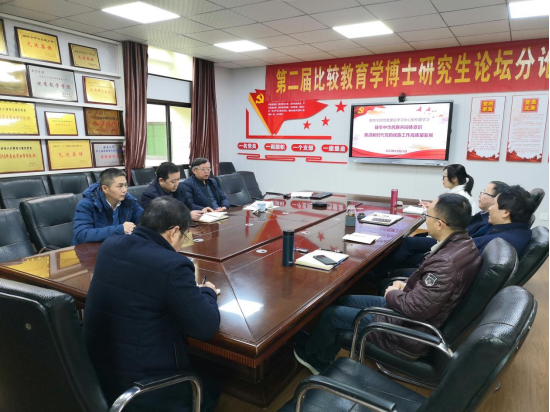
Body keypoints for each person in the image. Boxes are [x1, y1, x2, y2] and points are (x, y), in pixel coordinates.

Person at [294, 194, 482, 375]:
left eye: (428, 216)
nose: (426, 219)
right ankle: (322, 350)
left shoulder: (446, 263)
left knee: (331, 314)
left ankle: (314, 358)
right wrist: (404, 283)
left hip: (407, 332)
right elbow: (430, 290)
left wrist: (392, 292)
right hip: (410, 313)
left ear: (440, 224)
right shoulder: (464, 245)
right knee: (344, 299)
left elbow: (416, 308)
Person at [83, 197, 221, 412]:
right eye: (184, 236)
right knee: (213, 386)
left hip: (94, 376)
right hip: (142, 389)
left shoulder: (110, 245)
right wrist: (207, 292)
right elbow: (206, 327)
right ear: (174, 232)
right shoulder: (172, 265)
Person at [372, 181, 509, 276]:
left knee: (409, 243)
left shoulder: (488, 222)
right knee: (413, 241)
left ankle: (379, 271)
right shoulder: (484, 215)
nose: (480, 194)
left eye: (484, 193)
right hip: (450, 240)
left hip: (450, 241)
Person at [72, 168, 143, 245]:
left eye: (125, 185)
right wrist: (119, 229)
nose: (125, 190)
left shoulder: (128, 201)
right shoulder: (86, 204)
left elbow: (145, 219)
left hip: (118, 245)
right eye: (120, 186)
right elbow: (82, 235)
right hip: (91, 248)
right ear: (105, 188)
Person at [475, 185, 534, 256]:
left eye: (493, 204)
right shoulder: (521, 229)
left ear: (505, 212)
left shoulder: (499, 244)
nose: (489, 208)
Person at [141, 162, 209, 221]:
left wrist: (202, 210)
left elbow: (189, 205)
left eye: (178, 179)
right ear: (161, 180)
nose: (177, 184)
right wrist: (187, 215)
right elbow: (161, 218)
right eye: (173, 181)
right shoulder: (150, 195)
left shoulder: (180, 187)